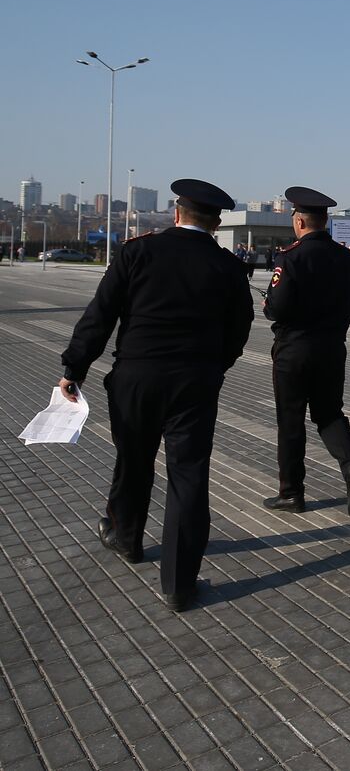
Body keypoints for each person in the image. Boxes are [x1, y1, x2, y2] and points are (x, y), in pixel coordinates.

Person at [58, 179, 252, 612]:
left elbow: (100, 315)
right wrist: (214, 367)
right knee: (188, 476)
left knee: (134, 460)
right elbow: (239, 329)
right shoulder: (227, 267)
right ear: (217, 222)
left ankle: (127, 540)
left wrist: (74, 369)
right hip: (194, 382)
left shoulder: (136, 252)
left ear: (176, 213)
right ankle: (179, 586)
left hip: (136, 378)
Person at [261, 186, 350, 519]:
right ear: (325, 222)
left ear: (300, 221)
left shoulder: (291, 257)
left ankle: (291, 493)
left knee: (291, 421)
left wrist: (268, 304)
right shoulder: (346, 259)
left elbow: (276, 308)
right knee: (330, 413)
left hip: (294, 351)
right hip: (332, 349)